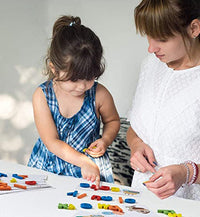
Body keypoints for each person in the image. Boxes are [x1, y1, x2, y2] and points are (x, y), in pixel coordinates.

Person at [28, 15, 120, 188]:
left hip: (90, 173)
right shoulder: (42, 95)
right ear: (54, 69)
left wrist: (105, 140)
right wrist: (83, 161)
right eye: (75, 79)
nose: (82, 86)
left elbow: (113, 121)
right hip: (48, 168)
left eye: (90, 77)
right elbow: (52, 141)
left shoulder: (100, 94)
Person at [127, 0, 200, 200]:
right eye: (148, 37)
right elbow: (136, 128)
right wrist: (136, 145)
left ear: (194, 28)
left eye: (162, 38)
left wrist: (187, 172)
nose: (151, 48)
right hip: (143, 200)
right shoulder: (150, 65)